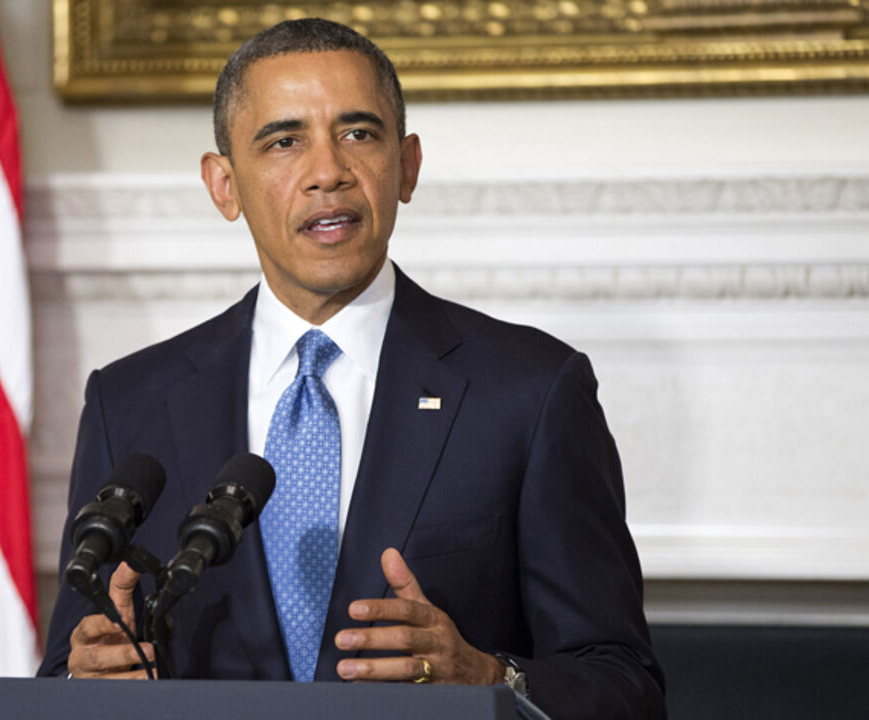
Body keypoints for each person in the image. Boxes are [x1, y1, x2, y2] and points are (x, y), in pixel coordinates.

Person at [38, 18, 666, 720]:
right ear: (224, 185)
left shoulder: (529, 392)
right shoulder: (131, 404)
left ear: (407, 166)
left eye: (359, 134)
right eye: (284, 141)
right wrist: (83, 682)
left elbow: (623, 687)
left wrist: (491, 677)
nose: (328, 171)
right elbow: (70, 667)